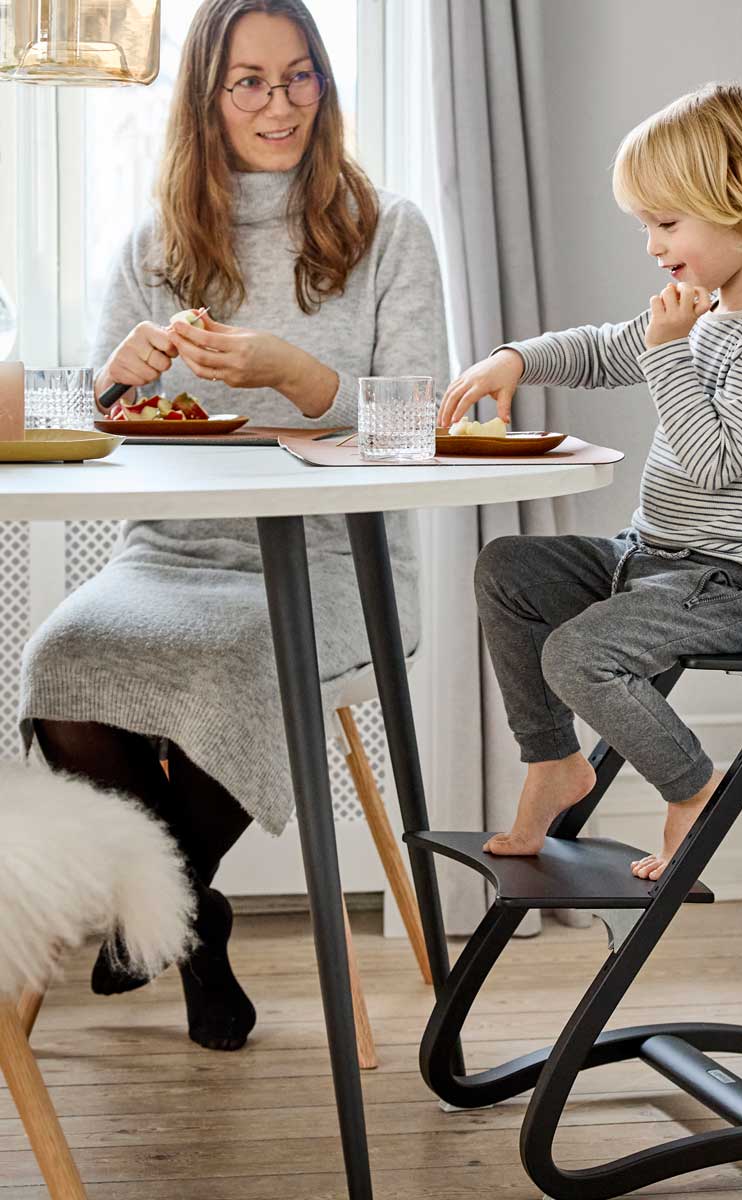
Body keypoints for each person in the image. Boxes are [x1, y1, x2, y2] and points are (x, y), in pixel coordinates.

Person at [19, 0, 447, 1050]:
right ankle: (196, 924)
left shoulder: (388, 229)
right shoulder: (155, 243)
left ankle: (162, 912)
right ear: (207, 99)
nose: (279, 103)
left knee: (255, 659)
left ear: (324, 85)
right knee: (60, 662)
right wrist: (111, 381)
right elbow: (84, 424)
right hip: (172, 551)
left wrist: (299, 375)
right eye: (249, 81)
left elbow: (420, 425)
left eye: (299, 75)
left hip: (340, 561)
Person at [439, 82, 742, 882]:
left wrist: (668, 351)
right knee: (508, 568)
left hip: (734, 585)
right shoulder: (708, 312)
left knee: (576, 655)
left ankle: (693, 787)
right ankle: (554, 761)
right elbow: (606, 348)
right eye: (645, 225)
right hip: (655, 559)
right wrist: (518, 359)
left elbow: (714, 459)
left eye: (667, 222)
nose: (653, 246)